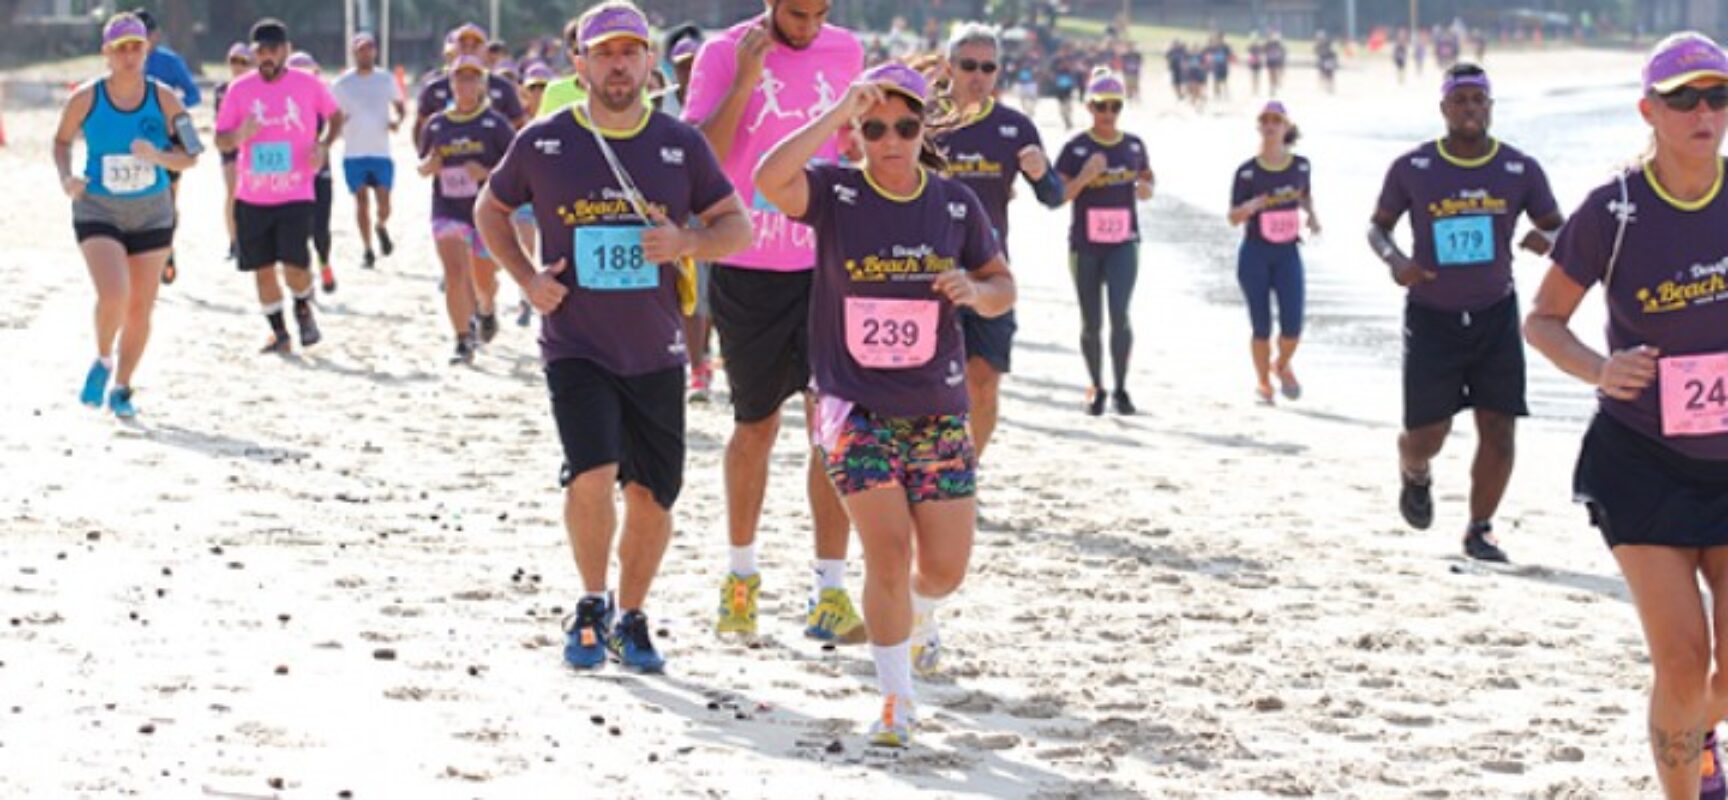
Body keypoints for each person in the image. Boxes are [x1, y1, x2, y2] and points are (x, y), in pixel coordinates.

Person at [475, 0, 750, 673]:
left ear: (649, 61)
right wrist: (526, 279)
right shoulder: (546, 138)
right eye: (604, 53)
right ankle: (591, 602)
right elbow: (490, 206)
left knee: (652, 494)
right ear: (581, 64)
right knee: (592, 472)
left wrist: (686, 240)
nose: (618, 64)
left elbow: (735, 227)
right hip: (576, 342)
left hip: (657, 349)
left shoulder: (680, 143)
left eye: (630, 51)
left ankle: (632, 614)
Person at [754, 62, 1015, 748]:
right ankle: (896, 700)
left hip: (936, 409)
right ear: (857, 134)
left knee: (945, 568)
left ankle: (922, 615)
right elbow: (766, 180)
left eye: (904, 125)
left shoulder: (955, 204)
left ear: (923, 127)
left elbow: (1003, 285)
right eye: (874, 127)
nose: (891, 139)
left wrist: (974, 291)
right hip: (852, 406)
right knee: (888, 552)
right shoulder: (835, 192)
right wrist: (835, 112)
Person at [1525, 33, 1728, 800]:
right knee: (1681, 661)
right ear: (1650, 109)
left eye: (1717, 96)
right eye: (1684, 98)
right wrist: (1602, 371)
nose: (1703, 112)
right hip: (1641, 461)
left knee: (1723, 674)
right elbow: (1542, 321)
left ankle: (1695, 731)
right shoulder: (1613, 211)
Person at [682, 0, 866, 643]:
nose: (809, 27)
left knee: (831, 427)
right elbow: (700, 155)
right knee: (754, 428)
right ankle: (740, 578)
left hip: (826, 263)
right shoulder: (720, 52)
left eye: (819, 14)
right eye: (796, 13)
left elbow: (854, 153)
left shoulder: (847, 53)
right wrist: (743, 82)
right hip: (748, 264)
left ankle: (831, 590)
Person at [1366, 63, 1563, 562]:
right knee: (1426, 435)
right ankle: (1414, 471)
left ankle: (1480, 528)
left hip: (1496, 313)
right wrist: (1396, 262)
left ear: (1490, 108)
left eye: (1479, 100)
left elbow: (1563, 228)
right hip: (1432, 316)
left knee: (1499, 428)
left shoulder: (1519, 169)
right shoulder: (1413, 168)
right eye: (1461, 100)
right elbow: (1378, 228)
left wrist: (1547, 239)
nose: (1471, 108)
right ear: (1444, 109)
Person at [54, 13, 200, 418]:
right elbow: (61, 141)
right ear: (107, 54)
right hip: (97, 207)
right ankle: (102, 360)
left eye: (137, 46)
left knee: (140, 308)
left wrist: (158, 156)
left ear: (147, 50)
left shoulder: (165, 98)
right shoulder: (85, 97)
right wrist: (67, 177)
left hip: (152, 213)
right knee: (113, 294)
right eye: (122, 49)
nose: (130, 55)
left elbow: (192, 155)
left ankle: (122, 387)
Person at [932, 22, 1064, 460]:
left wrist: (1042, 173)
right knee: (928, 384)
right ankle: (927, 469)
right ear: (949, 66)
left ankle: (964, 470)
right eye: (968, 65)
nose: (978, 75)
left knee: (984, 381)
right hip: (924, 271)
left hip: (988, 272)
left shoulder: (1014, 127)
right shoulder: (923, 121)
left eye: (988, 67)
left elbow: (1054, 197)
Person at [216, 18, 344, 354]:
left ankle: (303, 307)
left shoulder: (307, 84)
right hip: (252, 195)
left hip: (296, 191)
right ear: (254, 53)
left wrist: (324, 144)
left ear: (286, 50)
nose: (268, 56)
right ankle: (279, 333)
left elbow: (335, 115)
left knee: (295, 266)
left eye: (274, 49)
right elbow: (220, 138)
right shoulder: (239, 90)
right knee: (262, 270)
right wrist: (238, 136)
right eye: (261, 51)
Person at [1055, 70, 1153, 416]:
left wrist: (1145, 189)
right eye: (1100, 106)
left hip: (1124, 242)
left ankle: (1122, 389)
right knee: (1091, 321)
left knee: (1120, 315)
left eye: (1114, 106)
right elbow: (1058, 196)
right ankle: (1096, 386)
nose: (1107, 113)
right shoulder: (1076, 148)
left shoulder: (1133, 145)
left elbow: (1147, 182)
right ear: (1088, 106)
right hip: (1085, 245)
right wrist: (1085, 176)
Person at [419, 55, 515, 364]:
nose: (466, 84)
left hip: (487, 213)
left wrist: (485, 172)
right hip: (447, 209)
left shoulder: (495, 125)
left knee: (483, 280)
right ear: (451, 83)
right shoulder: (437, 124)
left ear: (482, 84)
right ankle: (462, 340)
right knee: (455, 273)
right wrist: (429, 166)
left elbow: (516, 168)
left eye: (473, 78)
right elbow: (423, 164)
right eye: (460, 78)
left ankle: (485, 310)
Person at [1227, 101, 1320, 405]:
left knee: (1293, 326)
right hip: (1255, 253)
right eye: (1265, 120)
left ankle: (1281, 365)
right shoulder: (1247, 173)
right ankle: (1264, 382)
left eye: (1276, 120)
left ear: (1286, 127)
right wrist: (1250, 207)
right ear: (1259, 126)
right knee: (1261, 326)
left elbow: (1303, 194)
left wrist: (1312, 216)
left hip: (1288, 254)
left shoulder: (1301, 165)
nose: (1270, 125)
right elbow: (1232, 217)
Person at [131, 8, 199, 286]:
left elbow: (193, 94)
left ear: (156, 35)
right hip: (133, 141)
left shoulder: (170, 62)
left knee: (168, 200)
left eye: (146, 34)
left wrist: (172, 110)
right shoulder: (125, 63)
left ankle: (167, 249)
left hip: (170, 138)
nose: (142, 41)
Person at [331, 32, 403, 271]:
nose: (366, 52)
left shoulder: (385, 79)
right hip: (354, 152)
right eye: (361, 49)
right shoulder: (342, 84)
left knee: (385, 203)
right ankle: (368, 249)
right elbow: (331, 114)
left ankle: (381, 226)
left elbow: (400, 105)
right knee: (361, 202)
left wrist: (397, 120)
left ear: (375, 51)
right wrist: (339, 122)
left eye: (370, 48)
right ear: (354, 52)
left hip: (381, 151)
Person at [415, 23, 526, 142]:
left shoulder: (503, 88)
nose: (468, 50)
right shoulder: (434, 89)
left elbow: (519, 126)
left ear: (485, 51)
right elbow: (421, 129)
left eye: (475, 46)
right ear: (453, 50)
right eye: (463, 45)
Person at [286, 52, 338, 294]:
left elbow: (335, 121)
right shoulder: (281, 100)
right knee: (298, 229)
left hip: (319, 170)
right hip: (291, 174)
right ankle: (304, 275)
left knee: (321, 227)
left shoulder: (321, 98)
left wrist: (323, 145)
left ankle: (324, 262)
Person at [215, 43, 254, 261]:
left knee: (251, 193)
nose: (238, 66)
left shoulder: (256, 86)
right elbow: (219, 120)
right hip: (230, 143)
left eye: (243, 61)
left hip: (252, 143)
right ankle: (233, 240)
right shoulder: (223, 89)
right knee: (232, 191)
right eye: (233, 61)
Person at [1265, 32, 1287, 98]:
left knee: (1274, 74)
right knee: (1271, 74)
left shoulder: (1277, 43)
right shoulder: (1268, 44)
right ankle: (1272, 87)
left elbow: (1282, 50)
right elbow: (1264, 50)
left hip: (1275, 60)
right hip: (1269, 60)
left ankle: (1273, 86)